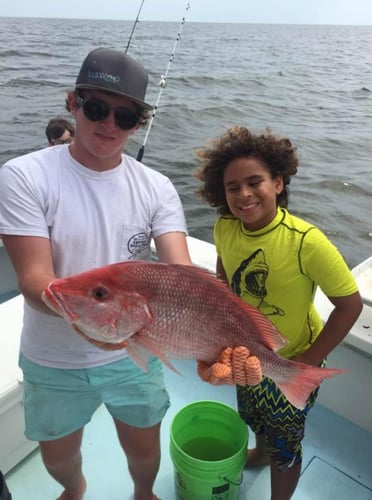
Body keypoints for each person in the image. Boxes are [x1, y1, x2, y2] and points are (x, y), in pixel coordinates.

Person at [0, 48, 260, 499]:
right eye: (97, 108)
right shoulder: (24, 176)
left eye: (126, 116)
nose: (109, 123)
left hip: (135, 350)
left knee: (144, 450)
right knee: (58, 456)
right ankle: (75, 487)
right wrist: (91, 320)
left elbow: (182, 276)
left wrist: (214, 351)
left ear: (139, 122)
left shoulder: (156, 187)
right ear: (72, 103)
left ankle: (144, 492)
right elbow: (33, 278)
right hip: (52, 358)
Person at [193, 126, 363, 500]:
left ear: (279, 183)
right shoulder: (225, 227)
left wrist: (307, 362)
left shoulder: (307, 241)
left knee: (285, 448)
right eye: (232, 188)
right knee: (252, 414)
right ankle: (258, 450)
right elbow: (226, 279)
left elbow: (351, 305)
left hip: (293, 360)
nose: (244, 195)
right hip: (247, 356)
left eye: (255, 182)